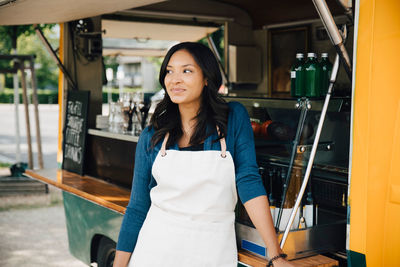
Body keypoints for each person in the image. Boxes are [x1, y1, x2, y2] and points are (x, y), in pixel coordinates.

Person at [113, 42, 293, 267]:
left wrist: (275, 255)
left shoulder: (233, 117)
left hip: (211, 254)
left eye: (186, 70)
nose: (175, 79)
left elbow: (248, 181)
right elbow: (137, 207)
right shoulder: (152, 135)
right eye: (169, 71)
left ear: (207, 78)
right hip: (154, 252)